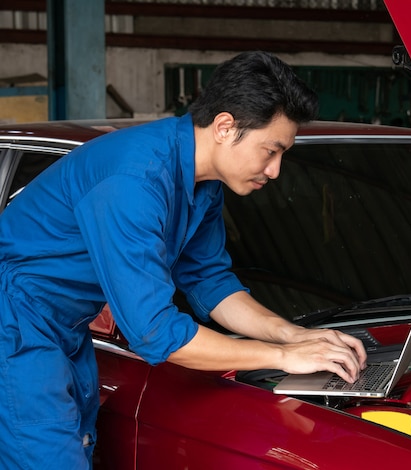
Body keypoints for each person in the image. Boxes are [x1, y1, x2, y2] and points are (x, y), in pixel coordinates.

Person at [0, 51, 367, 469]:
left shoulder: (202, 182)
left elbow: (211, 282)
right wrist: (280, 357)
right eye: (271, 150)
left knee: (76, 447)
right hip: (14, 325)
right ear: (225, 127)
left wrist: (291, 335)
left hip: (64, 329)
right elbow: (155, 331)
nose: (276, 169)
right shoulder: (133, 182)